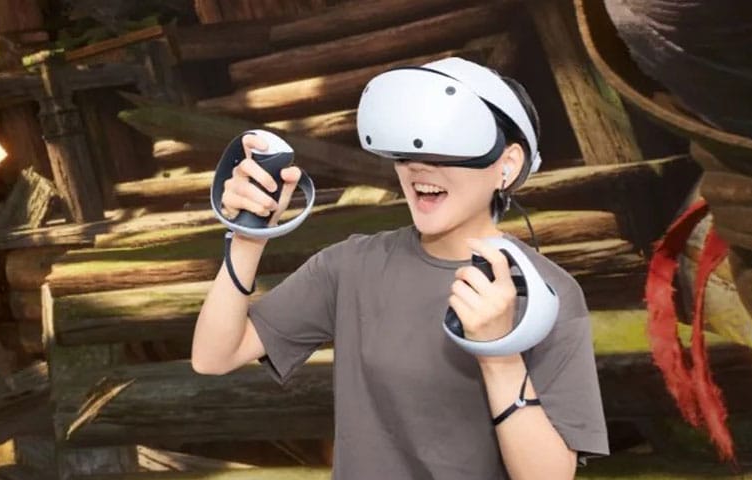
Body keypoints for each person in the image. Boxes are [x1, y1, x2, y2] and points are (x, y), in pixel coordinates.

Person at [192, 57, 609, 479]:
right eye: (408, 150)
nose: (418, 166)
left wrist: (500, 354)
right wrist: (248, 237)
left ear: (508, 165)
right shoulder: (351, 266)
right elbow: (214, 356)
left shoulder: (549, 293)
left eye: (447, 146)